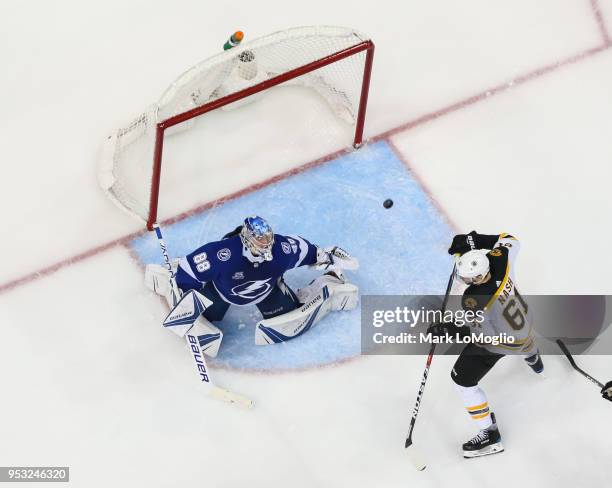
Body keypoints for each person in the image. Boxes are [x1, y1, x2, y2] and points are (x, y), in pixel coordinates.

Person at [145, 216, 358, 356]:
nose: (266, 248)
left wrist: (328, 257)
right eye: (260, 243)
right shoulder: (223, 254)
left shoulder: (280, 249)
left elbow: (307, 251)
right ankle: (168, 275)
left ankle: (330, 280)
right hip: (221, 292)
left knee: (287, 314)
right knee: (207, 315)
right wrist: (182, 291)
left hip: (267, 292)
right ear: (247, 240)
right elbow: (189, 270)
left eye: (268, 242)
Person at [428, 231, 543, 458]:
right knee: (523, 337)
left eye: (468, 279)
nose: (465, 282)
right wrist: (474, 241)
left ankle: (490, 435)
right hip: (526, 322)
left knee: (462, 379)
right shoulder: (499, 259)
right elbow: (511, 238)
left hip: (505, 341)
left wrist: (450, 330)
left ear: (477, 278)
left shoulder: (474, 300)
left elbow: (483, 338)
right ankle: (533, 356)